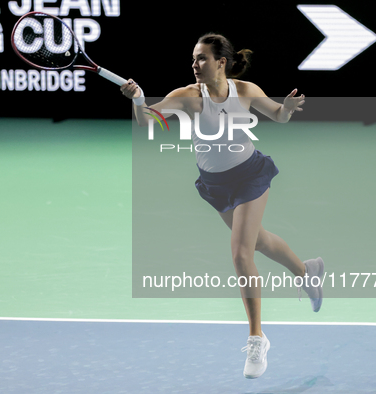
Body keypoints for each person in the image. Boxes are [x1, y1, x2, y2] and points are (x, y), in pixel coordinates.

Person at [120, 33, 325, 379]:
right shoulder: (187, 97)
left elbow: (279, 115)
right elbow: (147, 122)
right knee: (258, 241)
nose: (195, 64)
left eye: (202, 58)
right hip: (215, 185)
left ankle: (257, 338)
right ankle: (307, 272)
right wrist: (138, 99)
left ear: (221, 62)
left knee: (241, 254)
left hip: (250, 175)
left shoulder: (244, 91)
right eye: (193, 59)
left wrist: (287, 109)